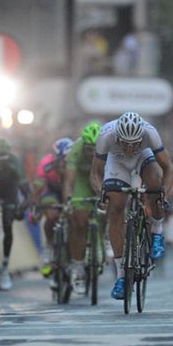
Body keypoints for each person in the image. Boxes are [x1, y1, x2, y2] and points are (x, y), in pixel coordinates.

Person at [90, 112, 173, 300]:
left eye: (134, 143)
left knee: (154, 183)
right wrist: (101, 194)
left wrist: (163, 196)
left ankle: (157, 230)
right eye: (125, 143)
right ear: (117, 137)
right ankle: (121, 276)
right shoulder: (106, 135)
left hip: (143, 157)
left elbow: (169, 168)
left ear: (141, 137)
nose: (129, 148)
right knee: (115, 208)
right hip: (116, 161)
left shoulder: (150, 133)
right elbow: (95, 173)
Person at [0, 136, 31, 290]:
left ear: (8, 157)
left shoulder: (15, 163)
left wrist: (21, 209)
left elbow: (27, 193)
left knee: (8, 224)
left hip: (9, 188)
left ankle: (4, 268)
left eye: (1, 160)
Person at [62, 121, 104, 294]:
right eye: (88, 149)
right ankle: (78, 267)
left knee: (110, 208)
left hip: (100, 179)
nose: (90, 153)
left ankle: (105, 240)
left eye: (94, 149)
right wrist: (68, 202)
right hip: (81, 182)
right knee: (79, 222)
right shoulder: (76, 150)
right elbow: (69, 181)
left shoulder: (107, 149)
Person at [30, 137, 74, 281]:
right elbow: (37, 189)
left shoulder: (75, 165)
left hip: (71, 191)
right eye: (58, 160)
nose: (61, 164)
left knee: (75, 217)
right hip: (51, 191)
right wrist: (35, 210)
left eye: (65, 161)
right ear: (53, 157)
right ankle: (49, 246)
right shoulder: (45, 164)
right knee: (51, 214)